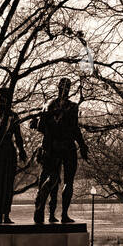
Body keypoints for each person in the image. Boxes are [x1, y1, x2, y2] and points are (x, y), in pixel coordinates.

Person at [30, 77, 89, 225]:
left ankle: (42, 208)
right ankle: (63, 215)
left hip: (52, 147)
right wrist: (82, 145)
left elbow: (41, 127)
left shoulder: (48, 105)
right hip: (66, 147)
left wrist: (43, 122)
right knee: (67, 182)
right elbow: (75, 129)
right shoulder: (71, 107)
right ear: (68, 90)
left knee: (50, 179)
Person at [0, 88, 27, 224]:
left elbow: (18, 136)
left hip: (8, 153)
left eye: (2, 99)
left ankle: (6, 214)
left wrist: (22, 151)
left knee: (7, 185)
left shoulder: (13, 116)